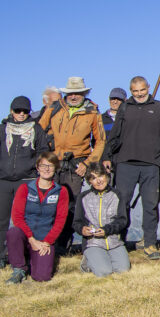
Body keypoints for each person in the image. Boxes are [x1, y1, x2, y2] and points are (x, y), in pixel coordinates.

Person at [103, 76, 160, 260]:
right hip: (125, 163)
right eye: (135, 91)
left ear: (148, 88)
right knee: (122, 203)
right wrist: (106, 156)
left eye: (142, 90)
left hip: (152, 164)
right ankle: (119, 241)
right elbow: (114, 134)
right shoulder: (125, 107)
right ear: (131, 91)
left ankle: (150, 243)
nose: (139, 94)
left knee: (150, 205)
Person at [0, 96, 49, 268]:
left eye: (25, 111)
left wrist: (31, 166)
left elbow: (43, 151)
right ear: (11, 111)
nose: (21, 114)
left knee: (24, 220)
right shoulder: (1, 129)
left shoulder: (36, 129)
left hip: (26, 180)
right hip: (2, 181)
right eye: (17, 110)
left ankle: (24, 256)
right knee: (0, 220)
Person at [38, 76, 106, 221]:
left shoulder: (93, 112)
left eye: (78, 93)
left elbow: (100, 141)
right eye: (70, 93)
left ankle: (66, 236)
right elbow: (38, 131)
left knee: (70, 205)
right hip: (53, 162)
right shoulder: (55, 107)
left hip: (76, 165)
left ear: (84, 94)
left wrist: (87, 164)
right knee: (48, 203)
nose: (73, 96)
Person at [5, 153, 70, 284]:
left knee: (42, 277)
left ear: (56, 168)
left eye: (50, 165)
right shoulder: (25, 188)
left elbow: (60, 220)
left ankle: (31, 260)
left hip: (44, 240)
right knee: (13, 232)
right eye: (43, 165)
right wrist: (31, 239)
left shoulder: (61, 191)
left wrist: (47, 242)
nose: (46, 169)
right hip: (26, 236)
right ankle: (19, 269)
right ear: (37, 168)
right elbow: (17, 217)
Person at [74, 163, 131, 276]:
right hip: (93, 242)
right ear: (89, 181)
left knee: (123, 270)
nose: (99, 181)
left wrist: (107, 230)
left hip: (114, 241)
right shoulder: (83, 197)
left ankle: (101, 259)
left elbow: (122, 220)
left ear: (106, 175)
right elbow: (77, 222)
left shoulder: (117, 195)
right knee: (104, 272)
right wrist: (82, 229)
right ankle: (87, 261)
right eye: (94, 178)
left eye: (100, 176)